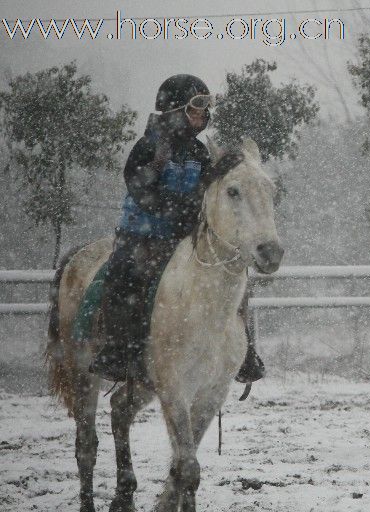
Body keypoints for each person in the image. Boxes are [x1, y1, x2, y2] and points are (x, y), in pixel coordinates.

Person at [89, 74, 264, 384]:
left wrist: (219, 175)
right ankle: (116, 350)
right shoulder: (147, 147)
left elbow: (205, 198)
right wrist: (176, 197)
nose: (201, 116)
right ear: (173, 110)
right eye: (194, 109)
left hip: (182, 236)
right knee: (124, 273)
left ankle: (243, 350)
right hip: (142, 233)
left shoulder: (198, 152)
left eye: (205, 110)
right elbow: (141, 190)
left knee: (234, 278)